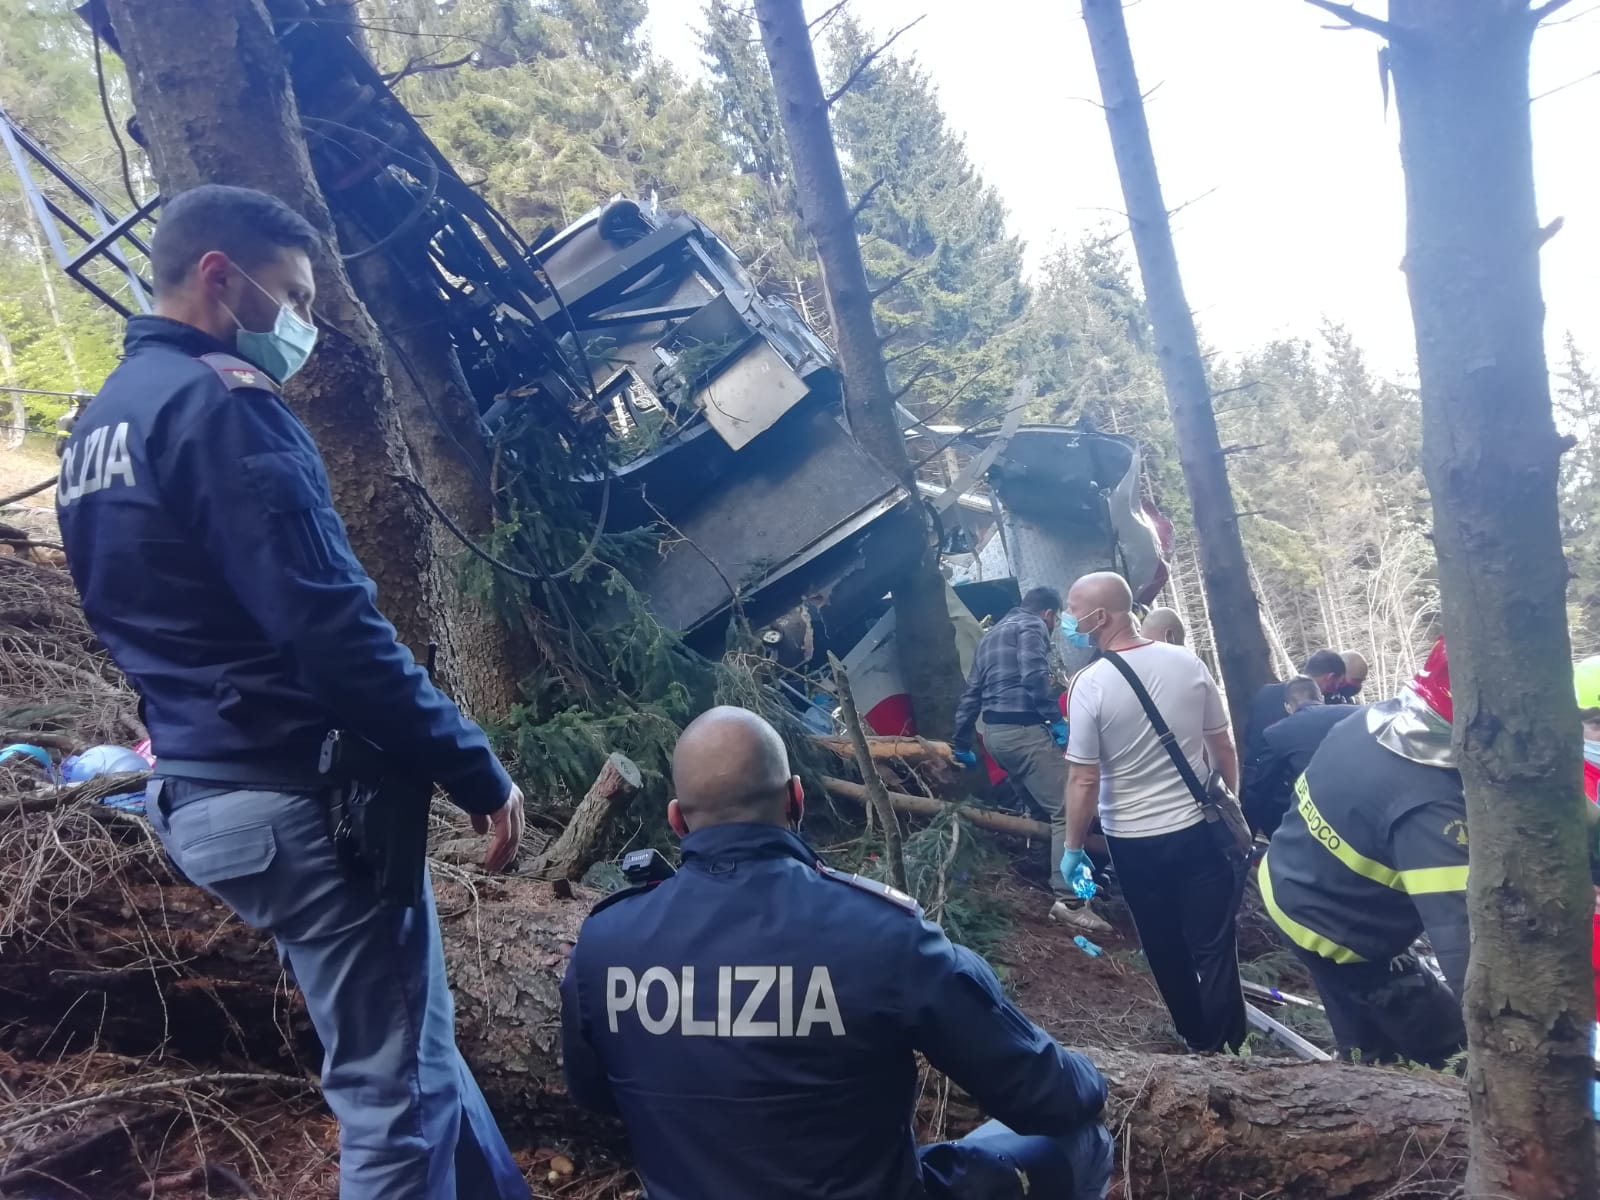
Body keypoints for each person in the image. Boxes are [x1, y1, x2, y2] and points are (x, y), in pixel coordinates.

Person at [54, 185, 528, 1200]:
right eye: (294, 295)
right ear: (219, 276)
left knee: (412, 1055)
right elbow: (330, 627)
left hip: (197, 786)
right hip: (297, 798)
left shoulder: (103, 425)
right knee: (395, 1103)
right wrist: (473, 766)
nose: (303, 323)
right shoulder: (225, 406)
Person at [561, 706, 1114, 1200]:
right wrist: (1090, 1077)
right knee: (1082, 1139)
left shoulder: (606, 942)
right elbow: (1050, 1095)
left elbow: (595, 1095)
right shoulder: (879, 932)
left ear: (677, 820)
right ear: (796, 799)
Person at [1058, 572, 1247, 1053]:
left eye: (1072, 609)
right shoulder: (1186, 662)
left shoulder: (1089, 685)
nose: (1067, 618)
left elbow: (1084, 779)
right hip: (1198, 828)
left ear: (1100, 616)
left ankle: (1196, 1040)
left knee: (1164, 945)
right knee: (1214, 945)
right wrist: (1229, 799)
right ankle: (1231, 1047)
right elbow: (1222, 745)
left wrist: (1073, 847)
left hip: (1133, 840)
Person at [1258, 638, 1467, 1067]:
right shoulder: (1429, 808)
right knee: (1449, 1046)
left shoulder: (1365, 721)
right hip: (1340, 931)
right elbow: (1464, 942)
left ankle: (1364, 1067)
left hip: (1287, 884)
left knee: (1362, 1041)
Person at [951, 586, 1109, 933]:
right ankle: (1070, 900)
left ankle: (1046, 877)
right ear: (1048, 614)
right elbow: (1033, 676)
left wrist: (960, 740)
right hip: (1023, 733)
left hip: (995, 737)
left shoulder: (991, 636)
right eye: (1056, 621)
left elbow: (971, 693)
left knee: (1041, 810)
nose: (1053, 628)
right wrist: (1056, 722)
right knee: (1069, 809)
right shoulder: (1032, 626)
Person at [1240, 676, 1364, 837]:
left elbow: (1260, 789)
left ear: (1287, 707)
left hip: (1322, 820)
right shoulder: (1358, 713)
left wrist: (1246, 832)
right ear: (1321, 698)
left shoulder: (1276, 733)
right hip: (1367, 803)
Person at [1242, 649, 1345, 767]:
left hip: (1254, 768)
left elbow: (1248, 735)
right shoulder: (1316, 713)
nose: (1334, 691)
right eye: (1337, 684)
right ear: (1330, 678)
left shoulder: (1265, 692)